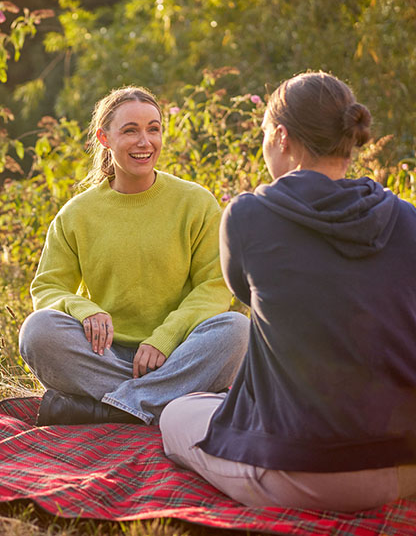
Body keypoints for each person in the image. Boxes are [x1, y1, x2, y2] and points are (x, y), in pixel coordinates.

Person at [160, 71, 416, 511]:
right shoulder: (408, 218)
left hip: (308, 472)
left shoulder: (248, 216)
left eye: (263, 134)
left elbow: (244, 290)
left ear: (281, 136)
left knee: (176, 414)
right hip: (409, 463)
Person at [19, 86, 249, 426]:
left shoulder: (196, 203)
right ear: (104, 138)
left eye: (153, 129)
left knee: (236, 329)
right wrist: (85, 310)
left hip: (177, 354)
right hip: (103, 356)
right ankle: (157, 400)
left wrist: (165, 339)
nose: (145, 142)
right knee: (37, 331)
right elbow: (47, 288)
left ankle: (109, 409)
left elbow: (214, 287)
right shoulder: (77, 214)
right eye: (131, 130)